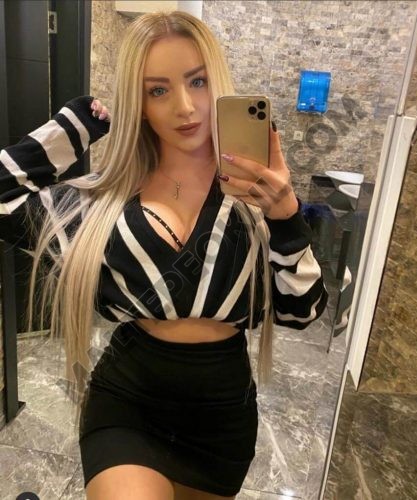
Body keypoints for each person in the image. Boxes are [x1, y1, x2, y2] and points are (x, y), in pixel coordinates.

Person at [0, 10, 328, 500]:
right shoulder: (102, 203)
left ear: (217, 84)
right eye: (157, 90)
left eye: (197, 81)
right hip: (128, 404)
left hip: (221, 419)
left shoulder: (257, 200)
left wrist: (285, 217)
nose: (185, 107)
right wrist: (75, 128)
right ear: (139, 105)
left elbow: (302, 312)